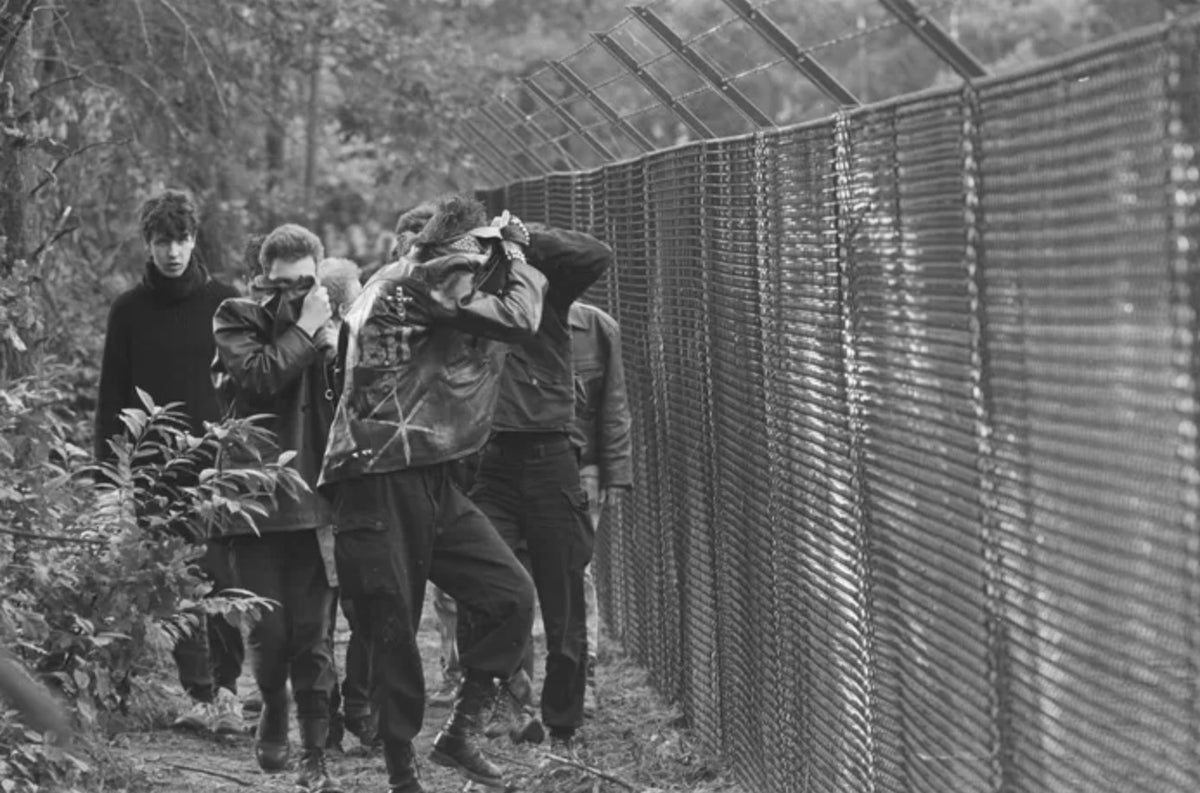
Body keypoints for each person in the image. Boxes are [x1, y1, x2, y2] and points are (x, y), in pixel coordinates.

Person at [320, 194, 605, 792]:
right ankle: (403, 775)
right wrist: (519, 253)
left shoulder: (422, 281)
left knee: (508, 593)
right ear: (461, 250)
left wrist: (509, 241)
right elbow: (520, 319)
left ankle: (461, 732)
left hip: (430, 473)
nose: (489, 270)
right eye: (483, 256)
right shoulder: (424, 277)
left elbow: (588, 259)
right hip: (379, 477)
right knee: (393, 623)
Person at [93, 188, 244, 737]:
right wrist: (109, 481)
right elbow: (111, 398)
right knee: (174, 587)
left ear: (194, 239)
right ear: (148, 245)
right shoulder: (128, 310)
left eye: (181, 239)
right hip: (157, 473)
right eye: (162, 241)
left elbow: (249, 386)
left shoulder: (224, 302)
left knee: (224, 582)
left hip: (219, 470)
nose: (173, 251)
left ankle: (229, 693)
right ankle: (197, 694)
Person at [468, 213, 610, 753]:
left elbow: (596, 254)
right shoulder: (466, 298)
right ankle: (504, 700)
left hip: (551, 458)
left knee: (564, 597)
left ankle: (564, 723)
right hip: (489, 461)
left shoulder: (544, 291)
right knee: (490, 588)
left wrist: (526, 240)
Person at [211, 223, 341, 793]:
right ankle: (273, 705)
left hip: (316, 503)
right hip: (254, 505)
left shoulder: (331, 328)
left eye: (306, 285)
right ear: (264, 280)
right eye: (282, 285)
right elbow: (259, 378)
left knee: (313, 634)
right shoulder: (236, 317)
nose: (293, 296)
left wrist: (334, 348)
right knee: (268, 631)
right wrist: (307, 330)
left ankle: (316, 754)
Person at [313, 256, 378, 753]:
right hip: (337, 494)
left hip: (333, 493)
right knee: (351, 610)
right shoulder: (340, 347)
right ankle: (349, 709)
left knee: (334, 615)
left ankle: (343, 713)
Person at [567, 300, 632, 714]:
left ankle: (581, 677)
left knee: (576, 572)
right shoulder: (507, 317)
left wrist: (614, 472)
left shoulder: (597, 327)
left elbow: (614, 404)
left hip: (581, 470)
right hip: (515, 469)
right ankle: (508, 689)